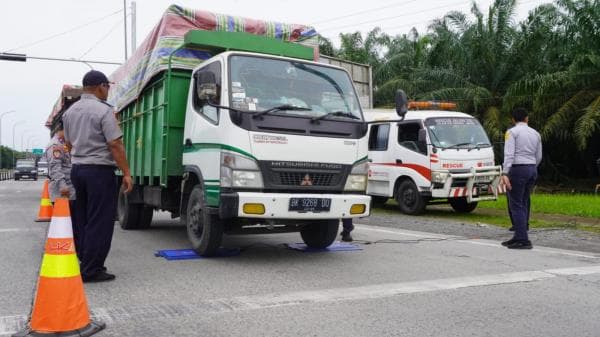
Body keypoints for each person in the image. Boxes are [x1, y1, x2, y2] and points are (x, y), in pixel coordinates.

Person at [62, 70, 133, 283]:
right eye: (108, 87)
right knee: (99, 221)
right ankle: (92, 269)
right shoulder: (104, 111)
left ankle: (85, 259)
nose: (108, 91)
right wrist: (127, 173)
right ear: (101, 86)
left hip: (78, 170)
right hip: (99, 172)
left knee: (82, 218)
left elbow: (68, 143)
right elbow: (115, 143)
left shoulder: (70, 112)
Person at [500, 107, 542, 249]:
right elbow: (539, 156)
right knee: (523, 203)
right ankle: (518, 235)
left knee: (516, 205)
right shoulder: (536, 133)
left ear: (513, 119)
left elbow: (509, 154)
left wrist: (505, 173)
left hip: (518, 169)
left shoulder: (511, 132)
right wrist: (532, 167)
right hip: (531, 168)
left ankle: (523, 240)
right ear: (527, 118)